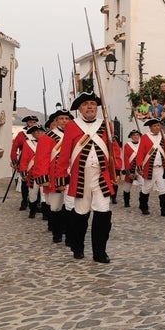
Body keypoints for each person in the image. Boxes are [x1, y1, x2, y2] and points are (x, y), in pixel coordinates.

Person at [56, 92, 121, 263]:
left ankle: (100, 252)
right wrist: (61, 177)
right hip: (81, 178)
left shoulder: (105, 124)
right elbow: (64, 154)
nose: (90, 107)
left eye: (93, 103)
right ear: (79, 108)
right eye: (85, 104)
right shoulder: (72, 126)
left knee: (103, 213)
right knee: (80, 214)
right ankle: (78, 247)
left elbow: (113, 149)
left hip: (102, 177)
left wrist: (117, 170)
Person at [34, 109, 71, 243]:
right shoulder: (47, 137)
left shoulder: (76, 136)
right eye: (61, 119)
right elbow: (41, 159)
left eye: (66, 119)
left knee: (71, 206)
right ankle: (57, 233)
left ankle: (68, 232)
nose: (64, 121)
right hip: (54, 177)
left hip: (71, 176)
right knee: (55, 206)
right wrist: (44, 178)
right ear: (55, 121)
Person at [136, 118, 165, 216]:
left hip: (160, 168)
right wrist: (139, 167)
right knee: (146, 189)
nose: (157, 127)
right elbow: (140, 153)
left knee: (163, 189)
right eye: (154, 126)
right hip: (149, 168)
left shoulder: (163, 137)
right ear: (150, 128)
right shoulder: (145, 137)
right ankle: (143, 206)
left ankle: (164, 208)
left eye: (158, 125)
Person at [11, 115, 39, 210]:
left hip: (37, 161)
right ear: (27, 123)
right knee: (24, 181)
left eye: (34, 122)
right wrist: (15, 161)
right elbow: (14, 148)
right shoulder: (21, 134)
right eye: (30, 122)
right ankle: (24, 200)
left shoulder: (39, 133)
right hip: (24, 160)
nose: (32, 124)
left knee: (37, 182)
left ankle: (36, 202)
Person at [18, 125, 46, 218]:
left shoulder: (48, 143)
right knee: (32, 194)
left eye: (41, 131)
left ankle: (45, 214)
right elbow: (24, 159)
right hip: (32, 173)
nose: (39, 133)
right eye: (36, 131)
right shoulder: (27, 143)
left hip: (44, 173)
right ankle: (32, 211)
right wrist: (24, 172)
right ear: (33, 134)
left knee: (44, 194)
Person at [121, 129, 143, 208]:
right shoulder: (127, 145)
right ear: (131, 136)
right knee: (127, 187)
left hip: (140, 169)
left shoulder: (142, 144)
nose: (136, 136)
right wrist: (128, 172)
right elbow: (126, 159)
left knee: (143, 186)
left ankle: (142, 204)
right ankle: (126, 202)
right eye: (134, 135)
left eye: (137, 135)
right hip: (130, 169)